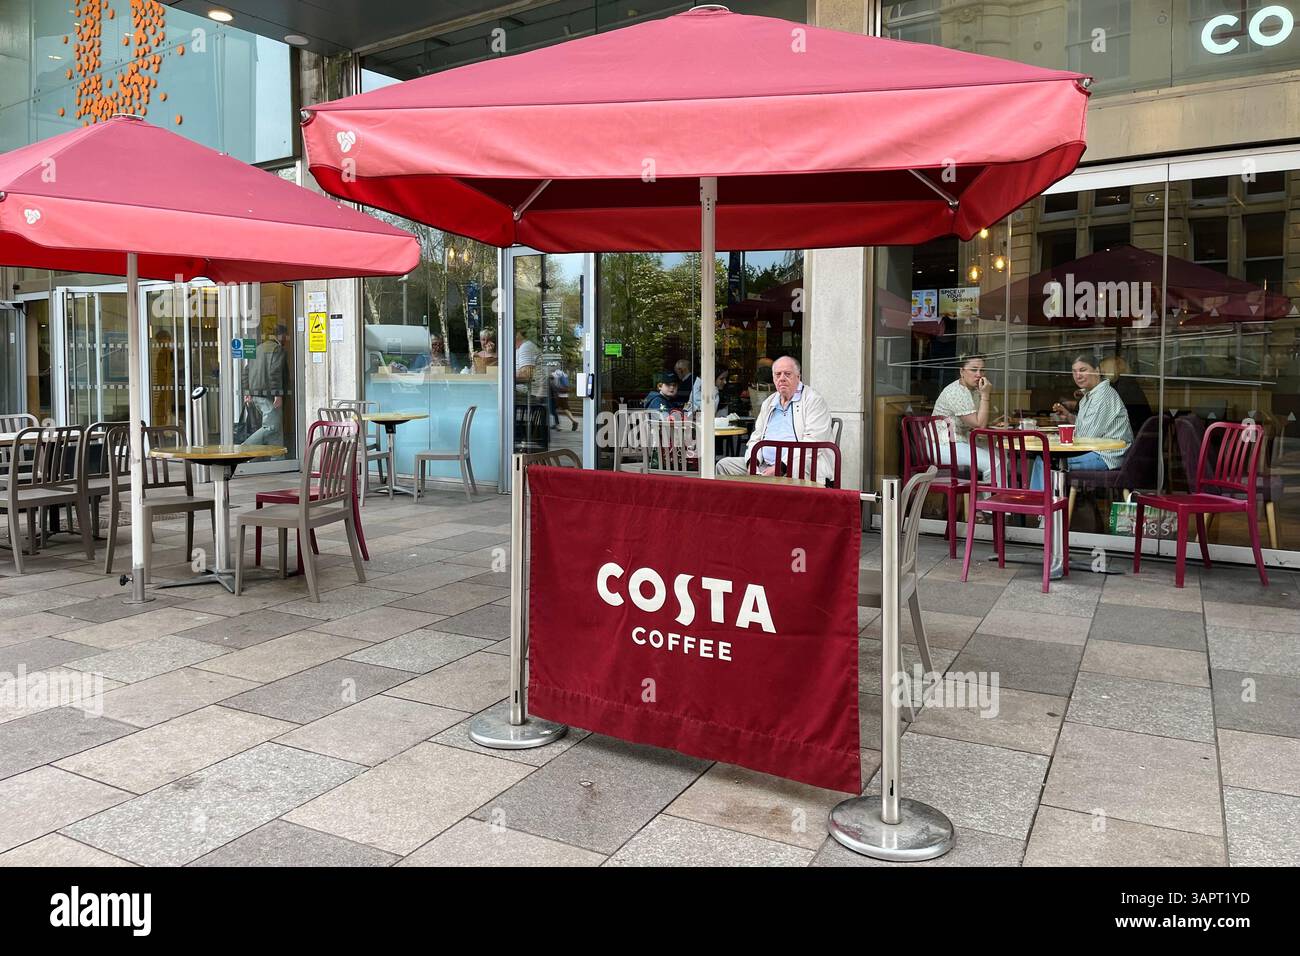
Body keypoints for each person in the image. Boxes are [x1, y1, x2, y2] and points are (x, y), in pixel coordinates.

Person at [717, 355, 834, 480]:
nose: (782, 378)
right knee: (724, 465)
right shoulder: (769, 402)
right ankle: (745, 499)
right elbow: (756, 438)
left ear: (798, 377)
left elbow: (812, 444)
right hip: (764, 465)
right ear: (773, 378)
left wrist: (781, 466)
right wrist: (752, 463)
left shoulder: (813, 400)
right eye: (778, 374)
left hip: (797, 465)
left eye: (787, 374)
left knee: (796, 467)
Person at [1031, 352, 1132, 489]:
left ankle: (1044, 508)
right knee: (1043, 458)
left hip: (1106, 456)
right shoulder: (1089, 396)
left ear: (1097, 371)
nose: (1078, 375)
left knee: (1044, 460)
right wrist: (1069, 416)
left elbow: (1088, 437)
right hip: (1097, 452)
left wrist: (1061, 439)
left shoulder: (1104, 396)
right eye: (1074, 371)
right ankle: (1046, 506)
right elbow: (1086, 426)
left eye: (1083, 370)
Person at [931, 353, 993, 483]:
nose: (979, 374)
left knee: (1002, 457)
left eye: (982, 370)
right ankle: (991, 502)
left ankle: (982, 499)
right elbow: (979, 425)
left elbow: (979, 422)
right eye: (973, 369)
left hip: (959, 440)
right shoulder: (956, 392)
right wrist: (986, 396)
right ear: (962, 371)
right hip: (943, 445)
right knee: (994, 463)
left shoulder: (974, 390)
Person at [241, 323, 289, 451]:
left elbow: (246, 371)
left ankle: (277, 460)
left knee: (276, 429)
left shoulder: (258, 348)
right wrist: (278, 394)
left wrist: (247, 392)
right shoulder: (277, 349)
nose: (286, 339)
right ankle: (243, 449)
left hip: (256, 395)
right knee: (271, 427)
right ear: (281, 336)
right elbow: (275, 372)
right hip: (268, 395)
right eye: (285, 336)